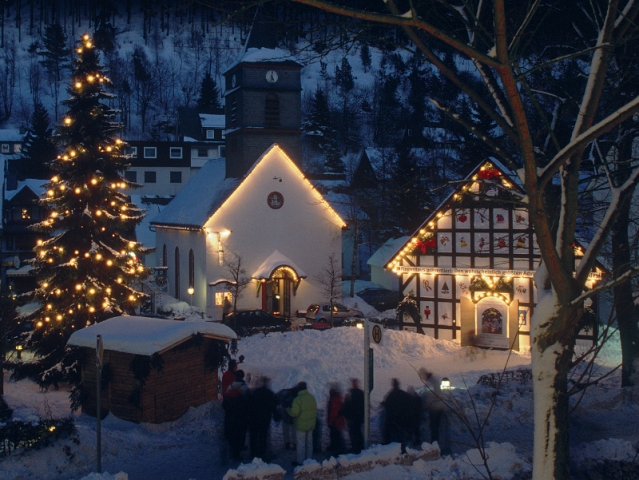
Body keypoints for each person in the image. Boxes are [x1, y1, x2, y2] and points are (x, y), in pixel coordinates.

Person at [287, 381, 317, 466]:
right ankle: (309, 460)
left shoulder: (298, 399)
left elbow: (294, 413)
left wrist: (288, 410)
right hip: (311, 424)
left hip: (301, 425)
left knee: (301, 444)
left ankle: (300, 461)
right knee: (309, 442)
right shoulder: (312, 397)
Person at [248, 376, 276, 461]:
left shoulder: (254, 393)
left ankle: (253, 452)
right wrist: (276, 415)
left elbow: (250, 405)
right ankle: (262, 453)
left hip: (254, 417)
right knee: (263, 436)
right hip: (265, 418)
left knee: (254, 435)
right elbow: (273, 406)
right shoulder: (269, 393)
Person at [224, 369, 250, 461]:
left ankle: (234, 451)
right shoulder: (244, 388)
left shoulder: (230, 386)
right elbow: (248, 402)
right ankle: (240, 447)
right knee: (241, 432)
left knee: (233, 432)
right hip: (241, 415)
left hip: (231, 414)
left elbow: (225, 401)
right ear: (242, 377)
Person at [381, 378, 412, 449]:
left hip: (393, 420)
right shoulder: (403, 394)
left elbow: (387, 405)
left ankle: (394, 450)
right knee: (401, 435)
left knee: (395, 436)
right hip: (402, 419)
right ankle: (403, 449)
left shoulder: (391, 395)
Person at [418, 368, 446, 445]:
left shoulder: (430, 383)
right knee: (436, 428)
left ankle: (434, 446)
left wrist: (424, 407)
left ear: (424, 374)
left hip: (435, 408)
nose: (422, 378)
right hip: (440, 406)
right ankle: (436, 444)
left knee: (434, 428)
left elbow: (429, 397)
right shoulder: (434, 380)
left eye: (422, 376)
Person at [343, 378, 364, 454]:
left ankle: (356, 447)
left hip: (353, 417)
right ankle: (359, 447)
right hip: (358, 417)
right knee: (357, 433)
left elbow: (349, 405)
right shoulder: (361, 393)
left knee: (354, 433)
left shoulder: (352, 394)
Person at [275, 385, 299, 450]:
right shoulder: (295, 393)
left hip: (284, 413)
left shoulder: (281, 392)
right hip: (293, 413)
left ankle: (287, 443)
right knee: (294, 429)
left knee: (285, 429)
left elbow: (277, 400)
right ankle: (294, 443)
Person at [326, 382, 346, 455]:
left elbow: (334, 410)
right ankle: (335, 446)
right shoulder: (336, 397)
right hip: (334, 420)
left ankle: (338, 447)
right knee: (335, 434)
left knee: (336, 434)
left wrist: (332, 420)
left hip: (335, 420)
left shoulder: (334, 398)